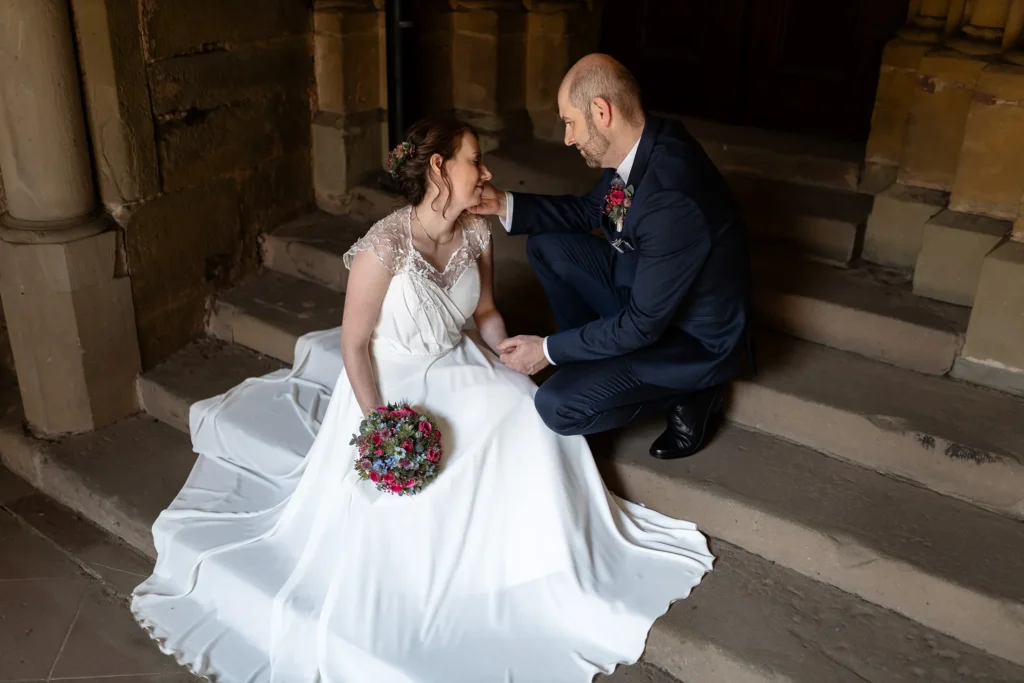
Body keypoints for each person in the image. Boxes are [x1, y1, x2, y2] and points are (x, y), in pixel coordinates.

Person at [130, 118, 714, 683]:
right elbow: (356, 346)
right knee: (430, 475)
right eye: (473, 160)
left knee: (524, 411)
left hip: (458, 360)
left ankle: (539, 566)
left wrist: (507, 353)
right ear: (439, 167)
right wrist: (379, 423)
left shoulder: (477, 232)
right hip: (392, 382)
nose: (484, 170)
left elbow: (483, 311)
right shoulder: (381, 248)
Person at [471, 54, 751, 460]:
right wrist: (502, 204)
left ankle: (694, 390)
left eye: (570, 122)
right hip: (642, 287)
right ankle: (591, 358)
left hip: (684, 338)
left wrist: (547, 350)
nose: (567, 138)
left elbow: (641, 326)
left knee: (556, 405)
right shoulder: (645, 141)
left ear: (601, 112)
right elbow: (590, 212)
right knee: (547, 245)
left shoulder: (671, 197)